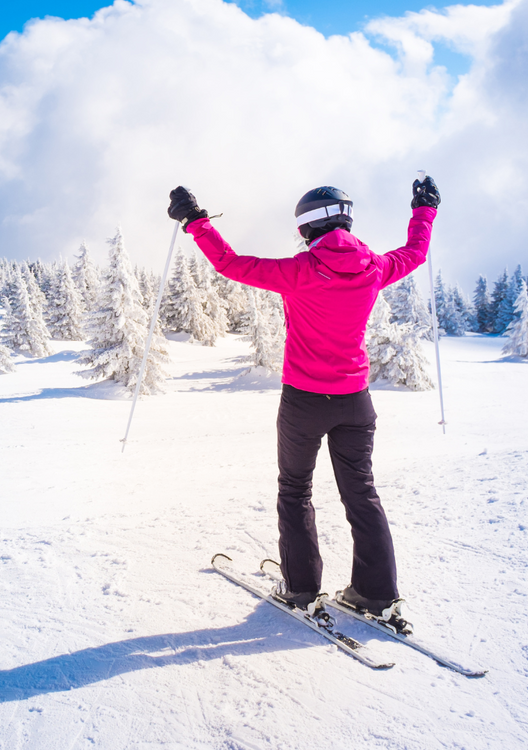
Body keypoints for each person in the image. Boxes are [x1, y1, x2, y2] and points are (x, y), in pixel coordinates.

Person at [167, 178, 440, 622]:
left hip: (305, 402)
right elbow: (415, 252)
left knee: (295, 491)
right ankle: (377, 594)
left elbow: (230, 264)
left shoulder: (299, 271)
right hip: (355, 401)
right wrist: (424, 209)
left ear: (308, 228)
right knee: (362, 493)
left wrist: (195, 221)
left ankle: (301, 590)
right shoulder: (374, 267)